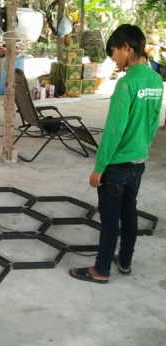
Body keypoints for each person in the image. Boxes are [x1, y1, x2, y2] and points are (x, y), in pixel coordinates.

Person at [70, 24, 164, 284]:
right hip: (138, 161)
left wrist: (99, 167)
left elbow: (114, 130)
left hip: (116, 165)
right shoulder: (156, 80)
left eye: (113, 53)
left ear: (126, 47)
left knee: (110, 219)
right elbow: (154, 121)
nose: (113, 59)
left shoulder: (127, 84)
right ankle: (124, 261)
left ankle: (101, 270)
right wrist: (141, 147)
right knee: (129, 212)